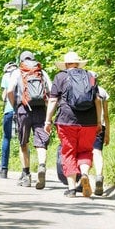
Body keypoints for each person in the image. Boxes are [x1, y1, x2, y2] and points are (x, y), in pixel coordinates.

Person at [44, 51, 102, 198]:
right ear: (78, 63)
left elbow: (52, 100)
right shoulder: (90, 76)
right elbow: (98, 100)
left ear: (65, 64)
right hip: (89, 122)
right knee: (85, 151)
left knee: (68, 152)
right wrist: (98, 122)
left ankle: (71, 189)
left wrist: (48, 120)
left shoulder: (60, 76)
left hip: (66, 121)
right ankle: (84, 174)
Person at [7, 51, 52, 189]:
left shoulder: (17, 72)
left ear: (21, 60)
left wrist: (15, 105)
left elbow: (9, 91)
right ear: (33, 59)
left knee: (23, 143)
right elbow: (51, 92)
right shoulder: (41, 72)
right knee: (41, 142)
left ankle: (26, 175)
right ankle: (42, 166)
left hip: (23, 109)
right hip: (40, 110)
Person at [0, 61, 18, 179]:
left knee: (6, 138)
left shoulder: (6, 76)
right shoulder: (22, 74)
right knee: (23, 141)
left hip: (9, 110)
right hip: (22, 111)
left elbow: (4, 96)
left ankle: (4, 169)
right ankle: (26, 170)